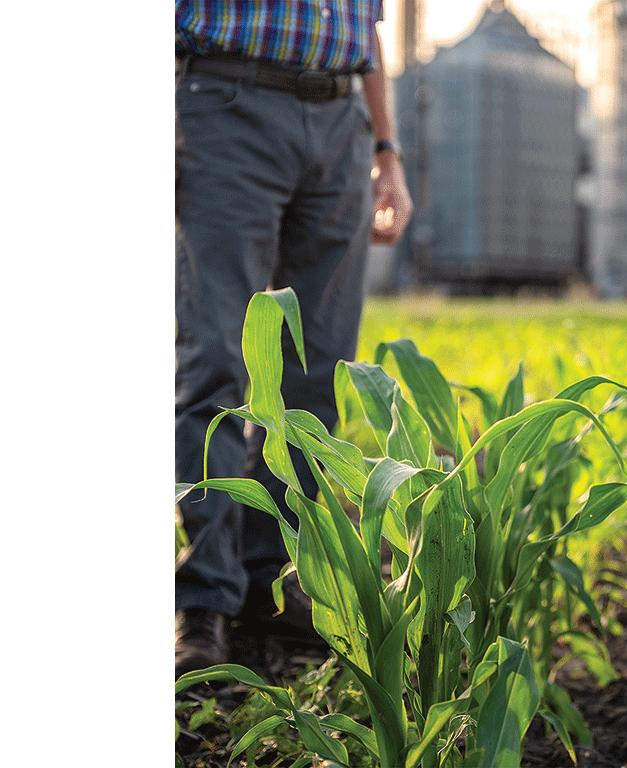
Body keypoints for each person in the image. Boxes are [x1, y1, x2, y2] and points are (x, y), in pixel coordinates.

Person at [174, 0, 413, 679]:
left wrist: (386, 152)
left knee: (317, 371)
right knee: (216, 362)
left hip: (341, 121)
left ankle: (275, 579)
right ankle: (203, 598)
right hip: (224, 103)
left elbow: (367, 32)